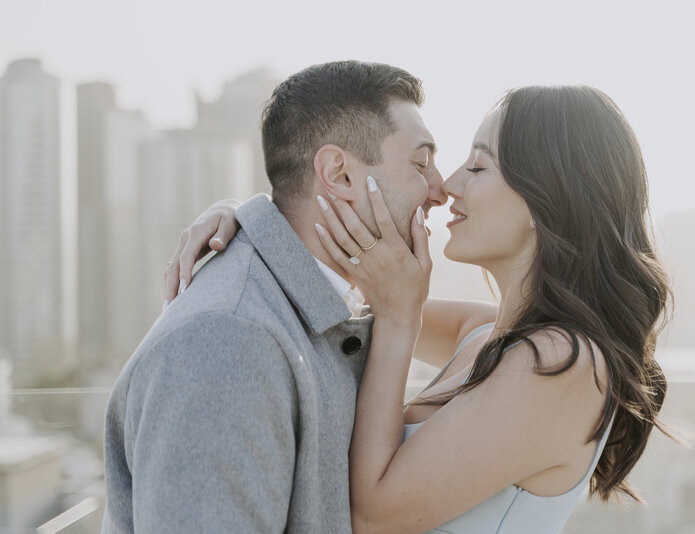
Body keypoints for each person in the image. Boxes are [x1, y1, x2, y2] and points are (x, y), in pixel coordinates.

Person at [167, 85, 673, 533]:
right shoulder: (483, 333)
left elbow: (371, 516)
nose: (449, 184)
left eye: (478, 166)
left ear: (549, 203)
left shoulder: (562, 364)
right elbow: (348, 285)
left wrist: (399, 320)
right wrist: (249, 216)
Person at [101, 60, 449, 533]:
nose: (440, 190)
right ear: (339, 175)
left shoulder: (299, 310)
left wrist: (399, 314)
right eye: (421, 163)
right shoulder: (228, 342)